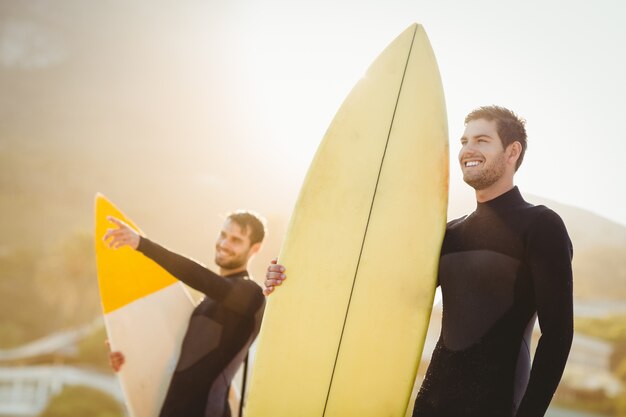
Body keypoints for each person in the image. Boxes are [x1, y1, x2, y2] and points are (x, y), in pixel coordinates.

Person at [264, 106, 573, 417]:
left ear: (512, 151)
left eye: (481, 140)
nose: (467, 150)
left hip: (497, 407)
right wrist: (294, 275)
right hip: (429, 404)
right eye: (464, 141)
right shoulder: (450, 233)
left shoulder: (541, 226)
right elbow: (381, 291)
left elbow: (558, 336)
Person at [103, 210, 267, 417]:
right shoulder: (207, 302)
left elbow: (199, 277)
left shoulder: (251, 295)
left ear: (255, 248)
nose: (224, 244)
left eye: (236, 240)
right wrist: (129, 353)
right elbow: (175, 353)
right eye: (223, 235)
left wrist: (142, 244)